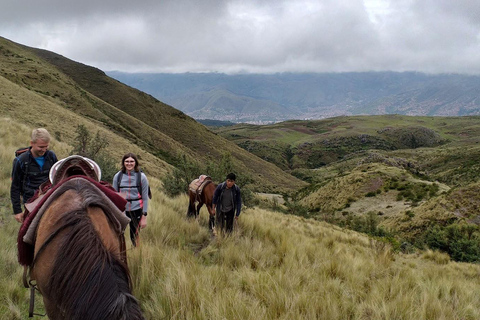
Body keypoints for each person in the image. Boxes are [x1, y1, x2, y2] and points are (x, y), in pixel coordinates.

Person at [11, 128, 58, 223]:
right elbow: (15, 187)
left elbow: (57, 177)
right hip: (30, 202)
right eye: (41, 147)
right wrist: (17, 211)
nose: (44, 150)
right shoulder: (21, 161)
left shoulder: (51, 156)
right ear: (32, 143)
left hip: (49, 199)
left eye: (46, 146)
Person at [112, 153, 149, 246]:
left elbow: (145, 198)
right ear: (123, 163)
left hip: (136, 209)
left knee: (135, 235)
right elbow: (114, 196)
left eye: (132, 161)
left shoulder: (142, 177)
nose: (129, 164)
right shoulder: (118, 176)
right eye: (127, 161)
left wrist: (144, 216)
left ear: (135, 163)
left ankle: (137, 254)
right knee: (119, 234)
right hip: (122, 210)